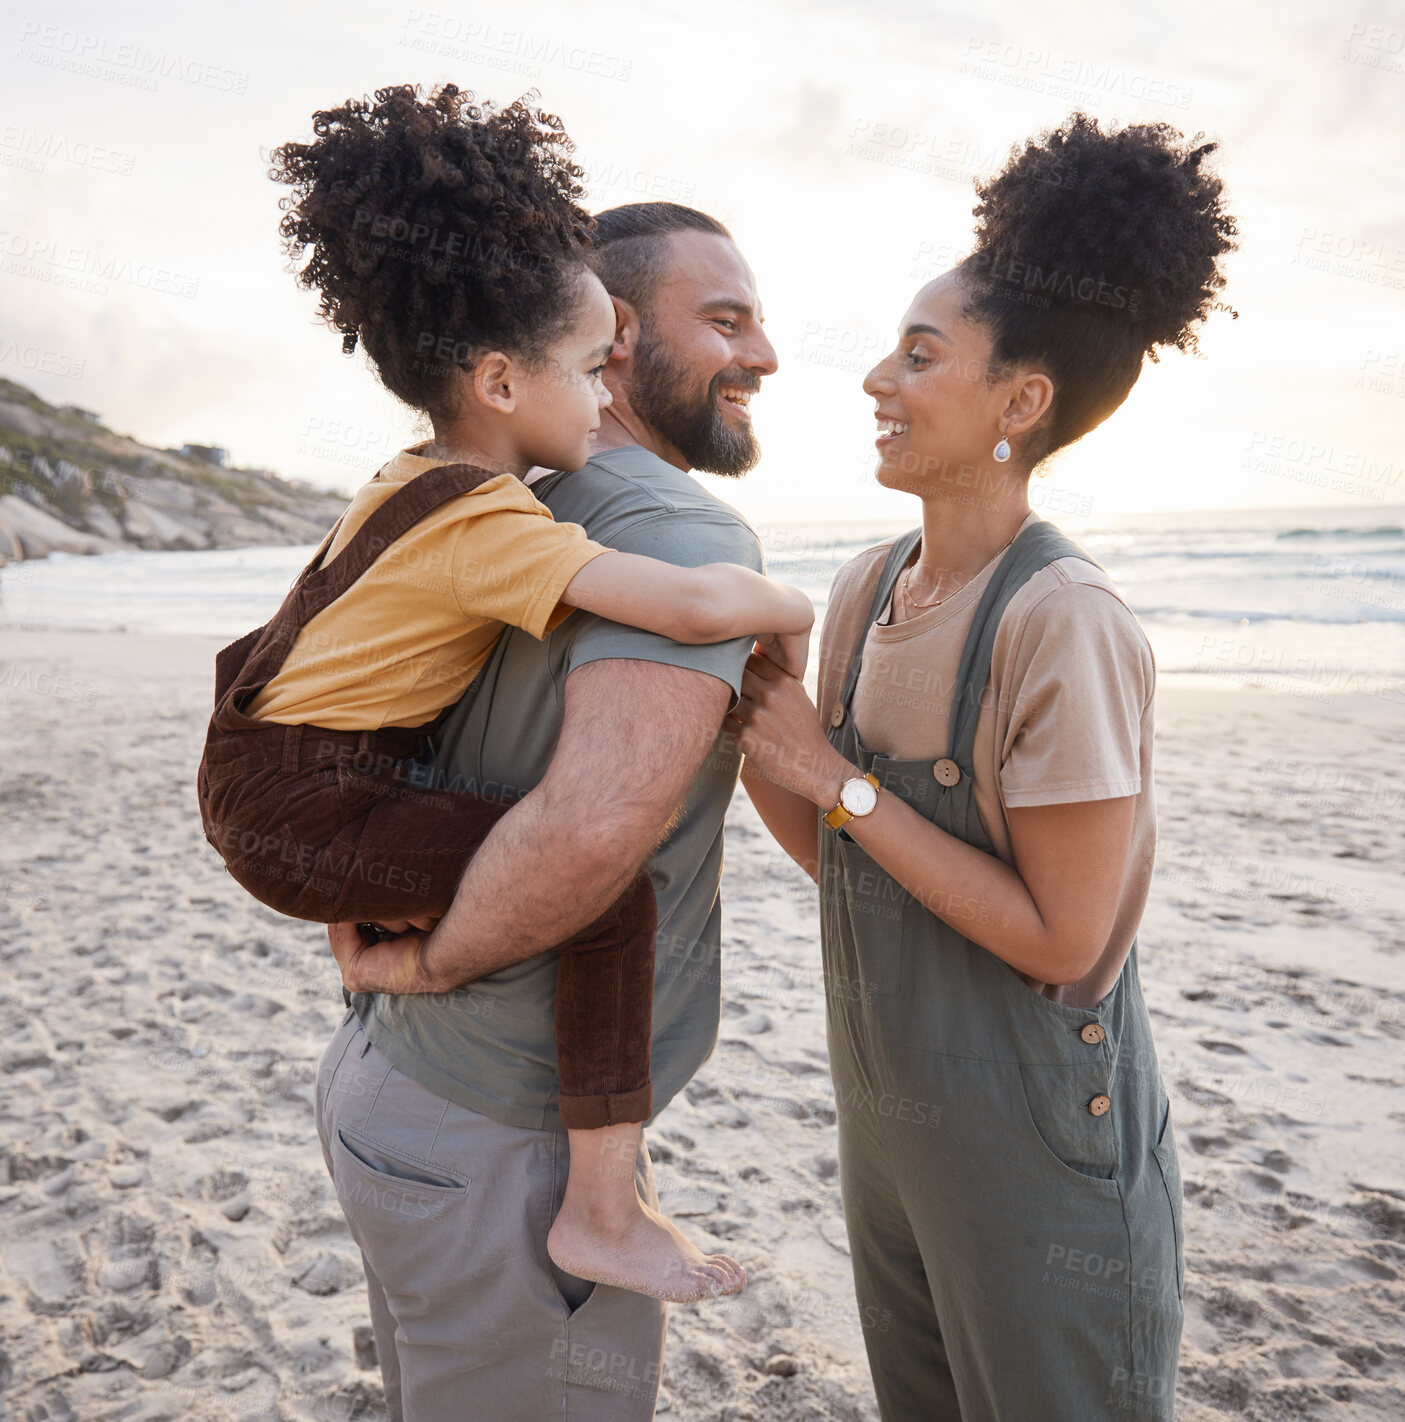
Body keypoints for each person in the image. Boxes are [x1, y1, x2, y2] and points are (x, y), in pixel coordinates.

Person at [200, 84, 810, 1307]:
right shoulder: (534, 523)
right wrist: (796, 607)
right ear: (497, 374)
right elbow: (607, 784)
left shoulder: (426, 482)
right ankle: (599, 1207)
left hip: (274, 786)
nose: (604, 383)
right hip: (475, 1112)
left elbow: (329, 661)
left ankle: (370, 947)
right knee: (609, 900)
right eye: (594, 363)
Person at [732, 112, 1237, 1420]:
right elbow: (846, 868)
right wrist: (761, 742)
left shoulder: (1060, 620)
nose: (874, 382)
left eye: (920, 355)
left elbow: (1062, 938)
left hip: (1037, 1167)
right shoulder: (863, 587)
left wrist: (831, 775)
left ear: (1018, 402)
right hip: (890, 1141)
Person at [317, 195, 780, 1418]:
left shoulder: (488, 497)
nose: (765, 357)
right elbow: (586, 836)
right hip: (498, 1140)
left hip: (391, 1099)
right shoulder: (677, 532)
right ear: (617, 337)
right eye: (725, 321)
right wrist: (429, 963)